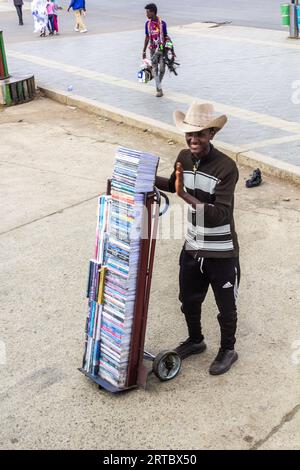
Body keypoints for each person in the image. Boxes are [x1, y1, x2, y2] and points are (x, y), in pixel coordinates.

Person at [155, 102, 241, 375]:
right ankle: (196, 340)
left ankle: (228, 349)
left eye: (200, 134)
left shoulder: (227, 167)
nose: (193, 139)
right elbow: (173, 185)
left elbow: (220, 214)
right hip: (192, 246)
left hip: (221, 251)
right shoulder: (183, 156)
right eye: (189, 134)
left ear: (212, 134)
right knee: (188, 299)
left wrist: (185, 197)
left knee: (226, 307)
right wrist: (141, 177)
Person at [142, 3, 168, 97]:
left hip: (161, 49)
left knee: (162, 69)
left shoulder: (162, 24)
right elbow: (147, 37)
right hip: (152, 49)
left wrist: (167, 48)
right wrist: (144, 51)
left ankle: (158, 84)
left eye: (147, 12)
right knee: (155, 69)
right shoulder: (147, 24)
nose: (146, 14)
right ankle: (159, 89)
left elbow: (165, 37)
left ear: (153, 12)